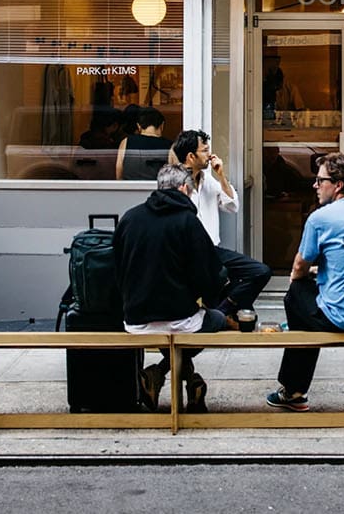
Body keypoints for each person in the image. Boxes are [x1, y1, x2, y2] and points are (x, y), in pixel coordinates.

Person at [266, 151, 344, 413]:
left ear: (338, 185)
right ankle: (294, 388)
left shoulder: (320, 217)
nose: (314, 185)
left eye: (319, 180)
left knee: (296, 294)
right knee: (308, 300)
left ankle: (294, 391)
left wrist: (304, 276)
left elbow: (298, 269)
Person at [112, 163, 229, 413]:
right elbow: (208, 276)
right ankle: (170, 376)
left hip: (135, 320)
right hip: (179, 318)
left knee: (181, 332)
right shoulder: (187, 221)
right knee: (217, 319)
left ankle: (170, 379)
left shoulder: (130, 218)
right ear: (184, 188)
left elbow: (117, 268)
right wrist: (210, 298)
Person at [172, 128, 271, 322]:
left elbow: (232, 205)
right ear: (191, 156)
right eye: (205, 150)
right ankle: (228, 313)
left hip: (212, 250)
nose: (210, 155)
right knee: (234, 284)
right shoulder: (175, 182)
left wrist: (221, 176)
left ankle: (223, 310)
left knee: (260, 271)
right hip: (189, 253)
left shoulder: (207, 179)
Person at [115, 106, 170, 181]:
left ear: (138, 126)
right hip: (158, 191)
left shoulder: (126, 142)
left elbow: (119, 175)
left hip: (131, 190)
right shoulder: (170, 146)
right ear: (162, 125)